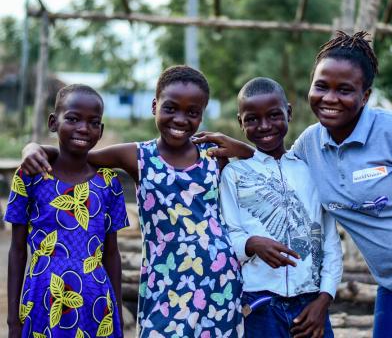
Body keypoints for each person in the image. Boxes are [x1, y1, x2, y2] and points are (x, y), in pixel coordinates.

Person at [193, 31, 392, 338]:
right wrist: (241, 149)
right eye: (321, 86)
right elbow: (276, 164)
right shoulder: (311, 144)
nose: (329, 98)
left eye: (344, 90)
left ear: (365, 95)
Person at [21, 66, 244, 338]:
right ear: (154, 106)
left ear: (202, 114)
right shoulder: (136, 156)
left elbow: (260, 164)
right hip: (165, 281)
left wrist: (238, 145)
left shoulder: (214, 155)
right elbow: (76, 154)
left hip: (219, 279)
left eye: (192, 112)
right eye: (171, 108)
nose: (180, 119)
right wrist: (33, 148)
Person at [219, 77, 342, 338]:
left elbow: (330, 241)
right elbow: (228, 232)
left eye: (274, 115)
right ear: (240, 122)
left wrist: (324, 299)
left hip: (311, 303)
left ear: (288, 112)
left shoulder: (312, 169)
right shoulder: (235, 174)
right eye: (252, 119)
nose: (264, 126)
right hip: (259, 304)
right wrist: (252, 243)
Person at [5, 84, 128, 338]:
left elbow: (112, 254)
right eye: (72, 118)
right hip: (41, 299)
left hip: (96, 303)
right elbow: (17, 250)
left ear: (101, 130)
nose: (83, 128)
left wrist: (115, 314)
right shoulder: (29, 176)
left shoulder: (108, 183)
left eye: (93, 122)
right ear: (53, 122)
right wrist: (13, 321)